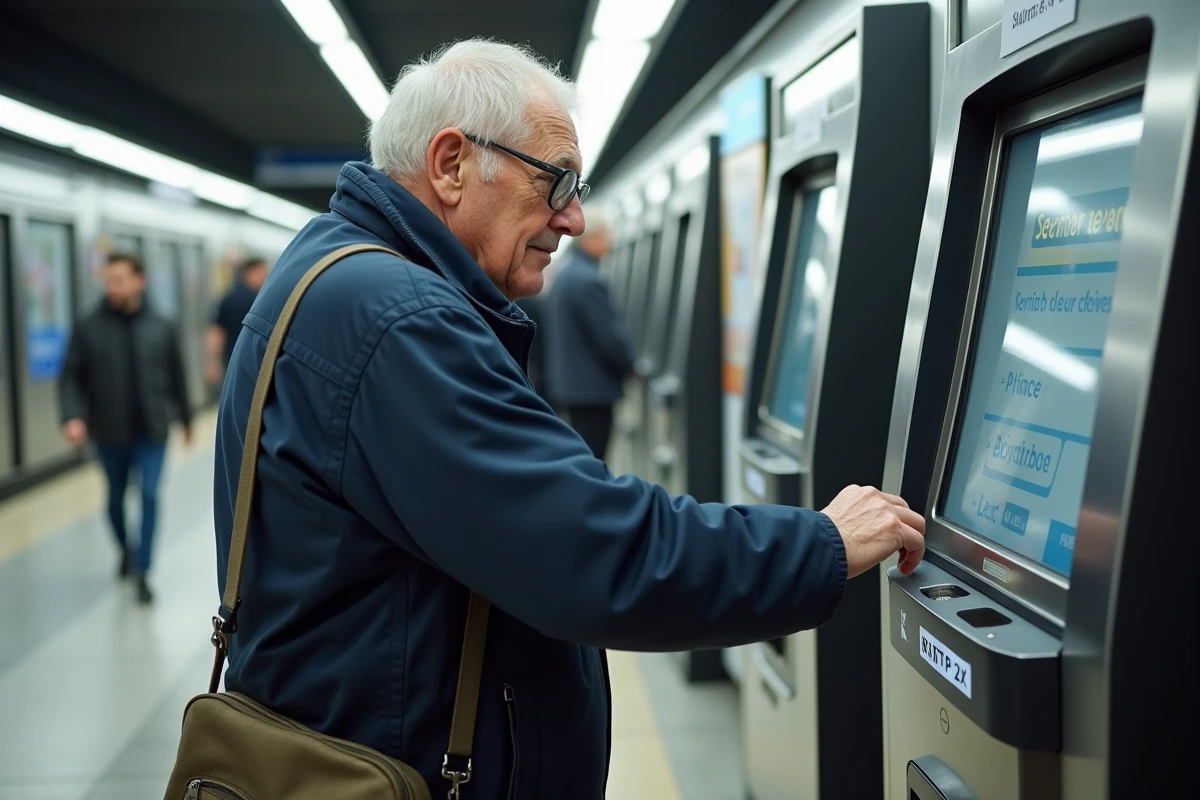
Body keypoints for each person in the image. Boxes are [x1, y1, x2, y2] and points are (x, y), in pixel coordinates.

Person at [212, 39, 925, 800]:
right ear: (452, 164)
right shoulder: (399, 322)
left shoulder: (332, 270)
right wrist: (818, 543)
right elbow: (593, 550)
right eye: (558, 182)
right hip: (400, 770)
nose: (576, 218)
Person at [60, 252, 193, 604]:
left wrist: (187, 418)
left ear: (140, 281)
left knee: (149, 496)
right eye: (109, 280)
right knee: (115, 499)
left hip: (152, 430)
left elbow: (176, 376)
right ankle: (125, 548)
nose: (112, 287)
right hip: (109, 431)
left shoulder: (161, 324)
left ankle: (143, 569)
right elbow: (71, 375)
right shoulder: (89, 326)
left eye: (119, 279)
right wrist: (72, 416)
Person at [544, 215, 633, 458]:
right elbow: (610, 338)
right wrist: (631, 366)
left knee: (584, 455)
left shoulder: (566, 275)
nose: (610, 241)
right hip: (593, 391)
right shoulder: (588, 280)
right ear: (590, 240)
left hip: (573, 387)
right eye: (605, 235)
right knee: (595, 460)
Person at [205, 256, 268, 387]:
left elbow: (217, 333)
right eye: (263, 272)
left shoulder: (228, 298)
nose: (266, 276)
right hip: (259, 364)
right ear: (251, 272)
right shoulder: (263, 301)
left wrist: (212, 362)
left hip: (232, 361)